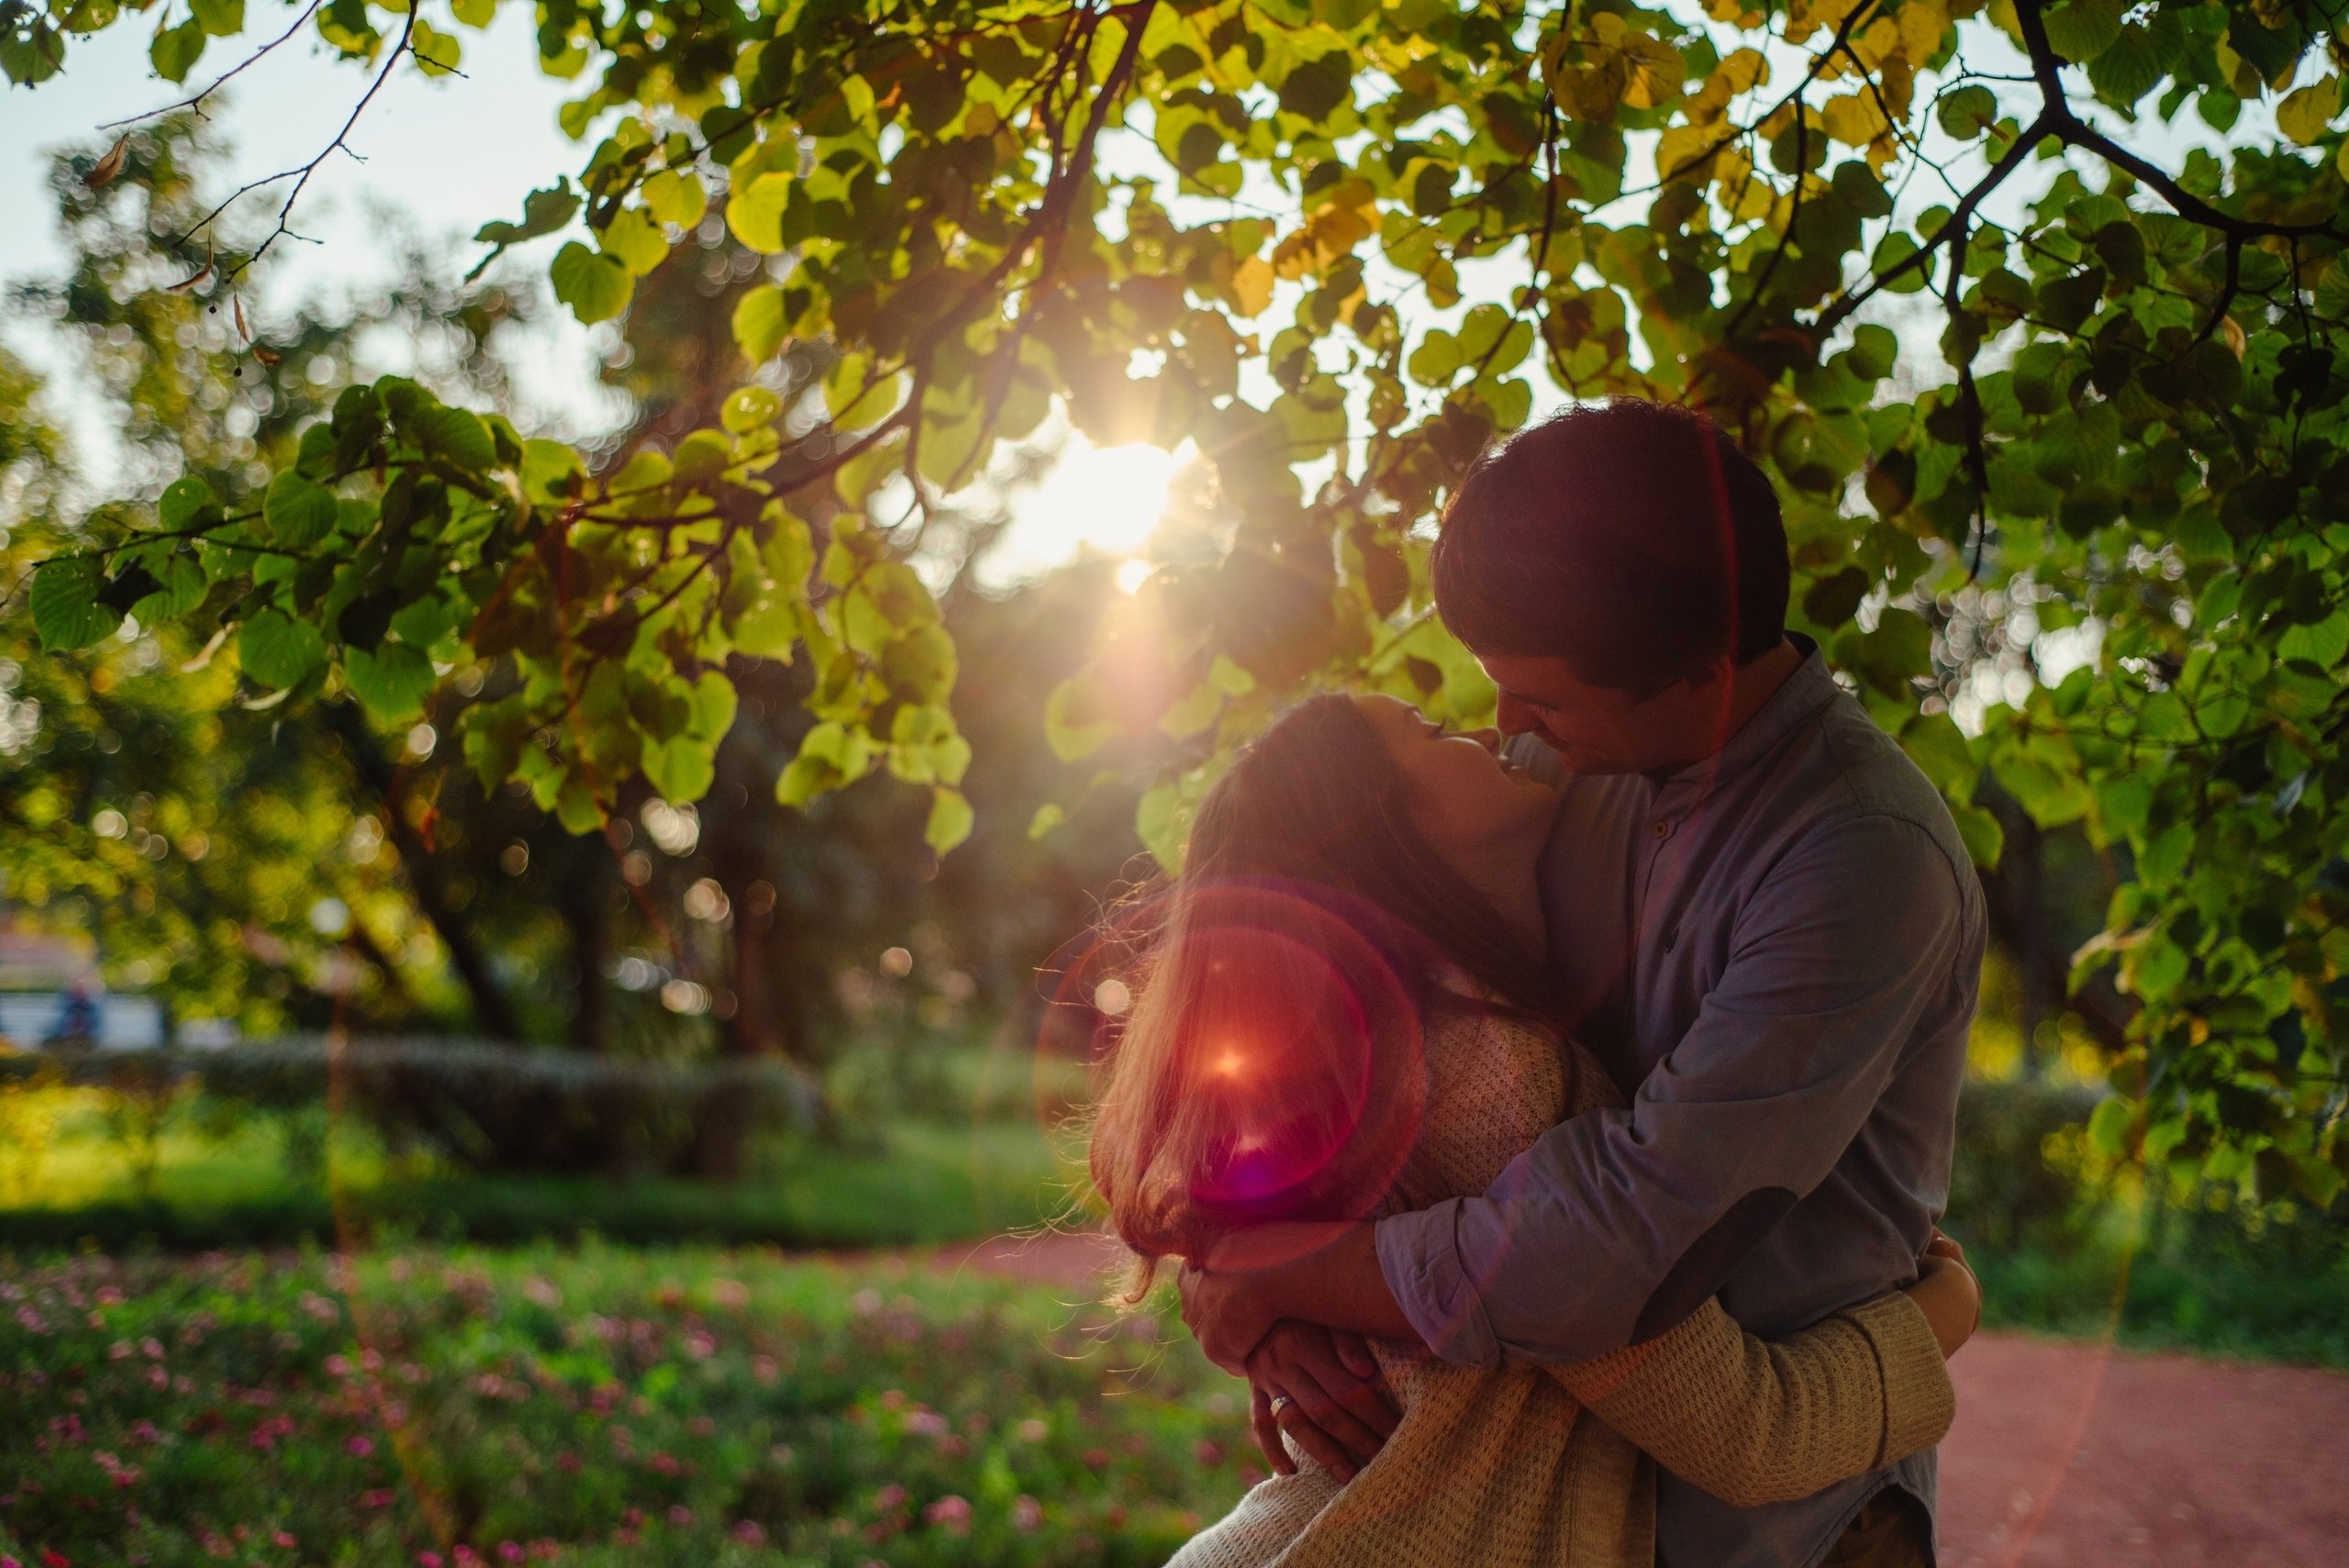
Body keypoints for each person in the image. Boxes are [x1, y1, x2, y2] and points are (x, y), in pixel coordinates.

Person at [1176, 400, 1986, 1567]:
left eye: (1543, 702)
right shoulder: (1567, 766)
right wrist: (1232, 1281)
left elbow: (1615, 1243)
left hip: (1789, 1526)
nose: (1506, 727)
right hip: (1573, 1495)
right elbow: (1308, 996)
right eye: (1496, 690)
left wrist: (1291, 1269)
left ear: (1701, 673)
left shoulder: (1857, 856)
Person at [1090, 693, 1981, 1568]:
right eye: (1435, 731)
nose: (1496, 726)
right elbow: (1749, 1436)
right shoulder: (1494, 1079)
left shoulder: (1391, 1057)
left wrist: (1251, 1283)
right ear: (1386, 825)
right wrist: (1944, 1314)